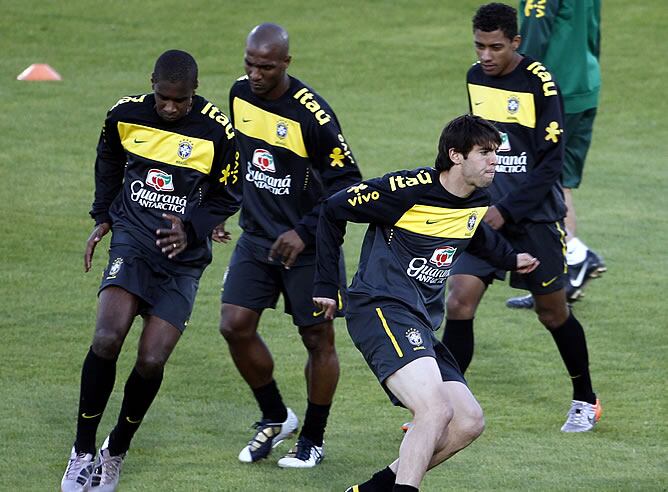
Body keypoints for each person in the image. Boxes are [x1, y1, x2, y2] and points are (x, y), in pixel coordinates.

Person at [314, 114, 538, 492]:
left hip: (418, 321)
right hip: (381, 307)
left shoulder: (477, 199)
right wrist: (326, 283)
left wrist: (510, 259)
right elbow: (333, 208)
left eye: (496, 152)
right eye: (485, 152)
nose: (495, 161)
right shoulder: (406, 190)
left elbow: (474, 232)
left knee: (468, 421)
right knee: (434, 410)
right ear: (455, 155)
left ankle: (370, 490)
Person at [60, 50, 240, 492]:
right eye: (163, 98)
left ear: (194, 92)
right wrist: (103, 214)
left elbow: (230, 192)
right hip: (134, 239)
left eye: (180, 101)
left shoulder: (218, 132)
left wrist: (194, 229)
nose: (171, 108)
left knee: (152, 358)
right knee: (106, 338)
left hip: (182, 261)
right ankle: (82, 451)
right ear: (152, 85)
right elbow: (108, 159)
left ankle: (115, 450)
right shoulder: (125, 114)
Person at [441, 3, 602, 433]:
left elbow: (551, 165)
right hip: (486, 213)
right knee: (458, 300)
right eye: (479, 46)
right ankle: (446, 406)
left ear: (516, 42)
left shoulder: (541, 85)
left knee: (552, 312)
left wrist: (506, 210)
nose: (486, 56)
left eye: (496, 47)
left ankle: (585, 398)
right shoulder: (475, 77)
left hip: (532, 219)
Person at [216, 23, 362, 468]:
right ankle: (276, 416)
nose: (256, 74)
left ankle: (312, 439)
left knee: (317, 338)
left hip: (310, 246)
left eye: (266, 66)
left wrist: (303, 229)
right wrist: (221, 204)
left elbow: (349, 184)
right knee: (234, 324)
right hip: (257, 238)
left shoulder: (313, 116)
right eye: (250, 64)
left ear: (286, 63)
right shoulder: (239, 94)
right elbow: (242, 157)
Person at [507, 0, 605, 309]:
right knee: (559, 182)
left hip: (554, 91)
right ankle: (561, 278)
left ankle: (575, 254)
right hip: (585, 84)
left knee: (539, 179)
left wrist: (517, 84)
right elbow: (593, 31)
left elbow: (535, 32)